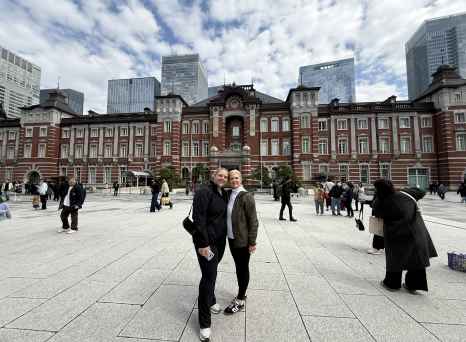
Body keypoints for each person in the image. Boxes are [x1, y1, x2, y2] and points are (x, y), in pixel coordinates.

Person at [372, 179, 437, 293]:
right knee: (416, 259)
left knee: (395, 259)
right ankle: (413, 285)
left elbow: (377, 214)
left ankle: (392, 284)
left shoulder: (380, 202)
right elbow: (421, 191)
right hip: (416, 232)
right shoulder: (406, 194)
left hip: (396, 234)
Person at [192, 168, 228, 341]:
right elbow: (198, 219)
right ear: (213, 176)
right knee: (208, 278)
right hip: (206, 243)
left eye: (225, 177)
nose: (222, 178)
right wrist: (203, 244)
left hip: (220, 242)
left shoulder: (222, 193)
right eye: (220, 175)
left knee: (211, 274)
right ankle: (204, 323)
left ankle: (212, 300)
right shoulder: (203, 192)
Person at [224, 170, 258, 315]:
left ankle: (240, 299)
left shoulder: (246, 196)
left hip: (242, 241)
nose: (234, 180)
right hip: (231, 239)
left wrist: (252, 242)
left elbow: (254, 221)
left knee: (242, 268)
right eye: (231, 178)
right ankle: (241, 292)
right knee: (239, 267)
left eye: (236, 178)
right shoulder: (229, 194)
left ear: (241, 179)